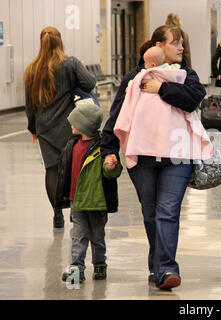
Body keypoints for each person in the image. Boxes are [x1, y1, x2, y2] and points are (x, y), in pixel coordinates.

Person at [101, 25, 206, 290]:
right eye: (175, 43)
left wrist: (162, 88)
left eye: (182, 43)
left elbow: (193, 98)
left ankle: (167, 268)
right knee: (151, 214)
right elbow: (117, 115)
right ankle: (158, 266)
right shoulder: (134, 79)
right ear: (159, 46)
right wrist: (109, 149)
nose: (181, 47)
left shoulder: (186, 75)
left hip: (178, 157)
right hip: (143, 156)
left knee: (167, 212)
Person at [24, 26, 96, 229]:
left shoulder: (32, 69)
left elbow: (29, 104)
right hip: (69, 125)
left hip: (45, 127)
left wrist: (33, 129)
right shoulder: (70, 63)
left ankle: (57, 213)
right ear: (60, 41)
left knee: (52, 169)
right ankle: (74, 209)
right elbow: (90, 83)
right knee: (73, 167)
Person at [55, 103, 122, 284]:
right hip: (76, 200)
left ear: (83, 125)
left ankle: (100, 264)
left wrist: (112, 165)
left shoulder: (102, 147)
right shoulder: (72, 144)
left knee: (97, 236)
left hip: (96, 201)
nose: (71, 125)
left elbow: (111, 174)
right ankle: (77, 268)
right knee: (78, 235)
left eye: (74, 122)